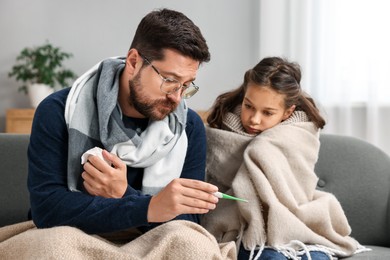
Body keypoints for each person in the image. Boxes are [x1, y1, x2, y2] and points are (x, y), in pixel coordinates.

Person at [7, 8, 235, 259]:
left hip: (151, 241)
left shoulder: (188, 126)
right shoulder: (58, 110)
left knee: (193, 244)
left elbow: (189, 220)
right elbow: (48, 210)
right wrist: (148, 206)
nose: (177, 97)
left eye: (187, 85)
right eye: (169, 80)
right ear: (134, 61)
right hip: (78, 236)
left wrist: (124, 195)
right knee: (54, 247)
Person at [201, 57, 364, 260]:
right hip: (237, 228)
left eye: (268, 112)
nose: (254, 119)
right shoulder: (218, 132)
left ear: (288, 112)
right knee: (271, 258)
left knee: (315, 258)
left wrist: (263, 147)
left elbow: (297, 190)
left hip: (294, 221)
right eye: (248, 106)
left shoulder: (299, 136)